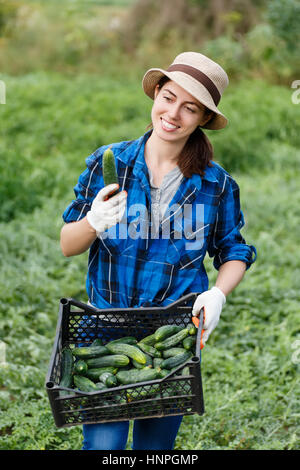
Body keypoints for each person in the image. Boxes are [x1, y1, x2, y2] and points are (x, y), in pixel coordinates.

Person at [60, 51, 257, 450]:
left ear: (202, 119)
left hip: (173, 339)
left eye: (190, 108)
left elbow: (234, 249)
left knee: (155, 451)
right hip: (103, 328)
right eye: (168, 98)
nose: (173, 114)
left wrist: (219, 293)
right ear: (155, 95)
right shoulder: (109, 162)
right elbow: (68, 244)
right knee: (103, 447)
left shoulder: (216, 185)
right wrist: (93, 222)